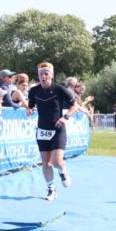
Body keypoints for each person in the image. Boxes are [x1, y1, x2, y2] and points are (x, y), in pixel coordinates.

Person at [26, 62, 78, 201]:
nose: (43, 76)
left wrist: (65, 117)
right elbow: (30, 105)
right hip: (42, 130)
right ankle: (51, 190)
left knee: (56, 161)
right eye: (41, 74)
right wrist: (29, 110)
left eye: (46, 73)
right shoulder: (34, 91)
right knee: (46, 163)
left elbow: (75, 106)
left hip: (58, 129)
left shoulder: (60, 89)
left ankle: (62, 171)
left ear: (52, 75)